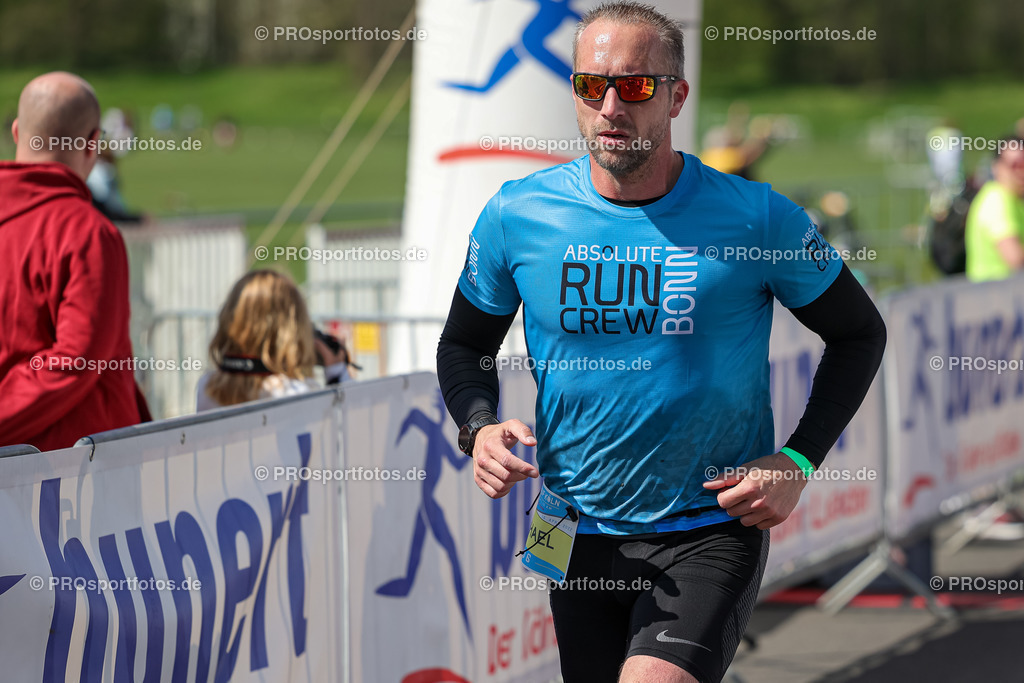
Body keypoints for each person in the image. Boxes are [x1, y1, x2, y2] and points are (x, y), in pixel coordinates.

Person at [435, 4, 886, 682]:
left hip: (707, 524)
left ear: (677, 95)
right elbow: (465, 342)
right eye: (592, 85)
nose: (611, 104)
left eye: (636, 86)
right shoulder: (517, 214)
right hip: (572, 524)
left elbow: (858, 332)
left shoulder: (755, 216)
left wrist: (797, 458)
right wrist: (478, 426)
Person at [0, 71, 150, 451]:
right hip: (70, 477)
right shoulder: (88, 233)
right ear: (93, 144)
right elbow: (77, 360)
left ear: (17, 132)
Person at [197, 269, 352, 410]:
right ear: (291, 330)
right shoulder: (298, 393)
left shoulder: (207, 387)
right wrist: (337, 372)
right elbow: (351, 429)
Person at [964, 136, 1024, 282]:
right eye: (1014, 165)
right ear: (996, 167)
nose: (1021, 172)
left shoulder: (1014, 199)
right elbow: (1015, 259)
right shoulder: (997, 200)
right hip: (993, 298)